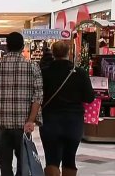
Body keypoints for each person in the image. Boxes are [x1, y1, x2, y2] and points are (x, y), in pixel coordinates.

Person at [0, 32, 43, 176]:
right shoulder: (33, 67)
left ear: (7, 47)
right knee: (24, 162)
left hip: (1, 123)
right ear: (22, 47)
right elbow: (38, 96)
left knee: (4, 162)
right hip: (24, 124)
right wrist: (31, 120)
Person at [40, 41, 94, 176]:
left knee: (51, 159)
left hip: (50, 120)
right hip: (73, 121)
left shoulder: (44, 72)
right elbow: (89, 98)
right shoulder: (80, 73)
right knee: (69, 159)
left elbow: (38, 96)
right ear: (69, 53)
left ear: (52, 53)